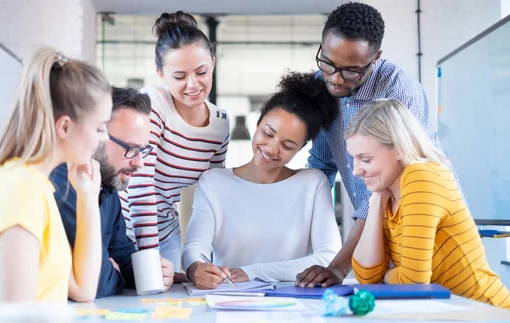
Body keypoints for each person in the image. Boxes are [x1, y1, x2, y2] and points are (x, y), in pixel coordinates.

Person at [0, 48, 112, 322]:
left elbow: (83, 289)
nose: (103, 139)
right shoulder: (18, 189)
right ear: (65, 127)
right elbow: (18, 319)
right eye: (99, 128)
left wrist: (88, 197)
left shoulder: (37, 186)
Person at [296, 2, 443, 288]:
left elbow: (386, 186)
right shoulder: (322, 84)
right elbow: (322, 164)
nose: (335, 79)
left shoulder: (399, 93)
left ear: (375, 58)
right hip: (373, 238)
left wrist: (338, 266)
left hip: (418, 234)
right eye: (327, 63)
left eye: (351, 71)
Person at [182, 72, 341, 289]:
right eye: (268, 133)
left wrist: (253, 272)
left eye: (287, 146)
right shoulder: (214, 182)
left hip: (290, 304)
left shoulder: (312, 183)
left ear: (301, 148)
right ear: (257, 123)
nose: (272, 149)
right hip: (228, 299)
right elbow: (195, 247)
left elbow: (327, 257)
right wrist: (195, 268)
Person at [346, 99, 510, 309]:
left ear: (399, 149)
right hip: (451, 311)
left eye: (366, 159)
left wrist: (385, 275)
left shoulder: (421, 176)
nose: (356, 171)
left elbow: (414, 282)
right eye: (354, 159)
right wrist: (376, 200)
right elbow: (367, 277)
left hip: (487, 311)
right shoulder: (387, 193)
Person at [119, 11, 230, 269]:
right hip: (125, 227)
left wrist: (206, 256)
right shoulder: (153, 102)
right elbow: (140, 185)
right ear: (161, 73)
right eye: (179, 77)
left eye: (201, 72)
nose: (193, 84)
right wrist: (149, 258)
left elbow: (211, 194)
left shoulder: (220, 122)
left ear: (212, 63)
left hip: (167, 230)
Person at [50, 87, 174, 298]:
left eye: (143, 150)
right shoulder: (62, 185)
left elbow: (122, 253)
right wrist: (114, 274)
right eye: (131, 149)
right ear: (96, 135)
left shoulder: (107, 185)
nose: (139, 163)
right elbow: (92, 282)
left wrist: (151, 272)